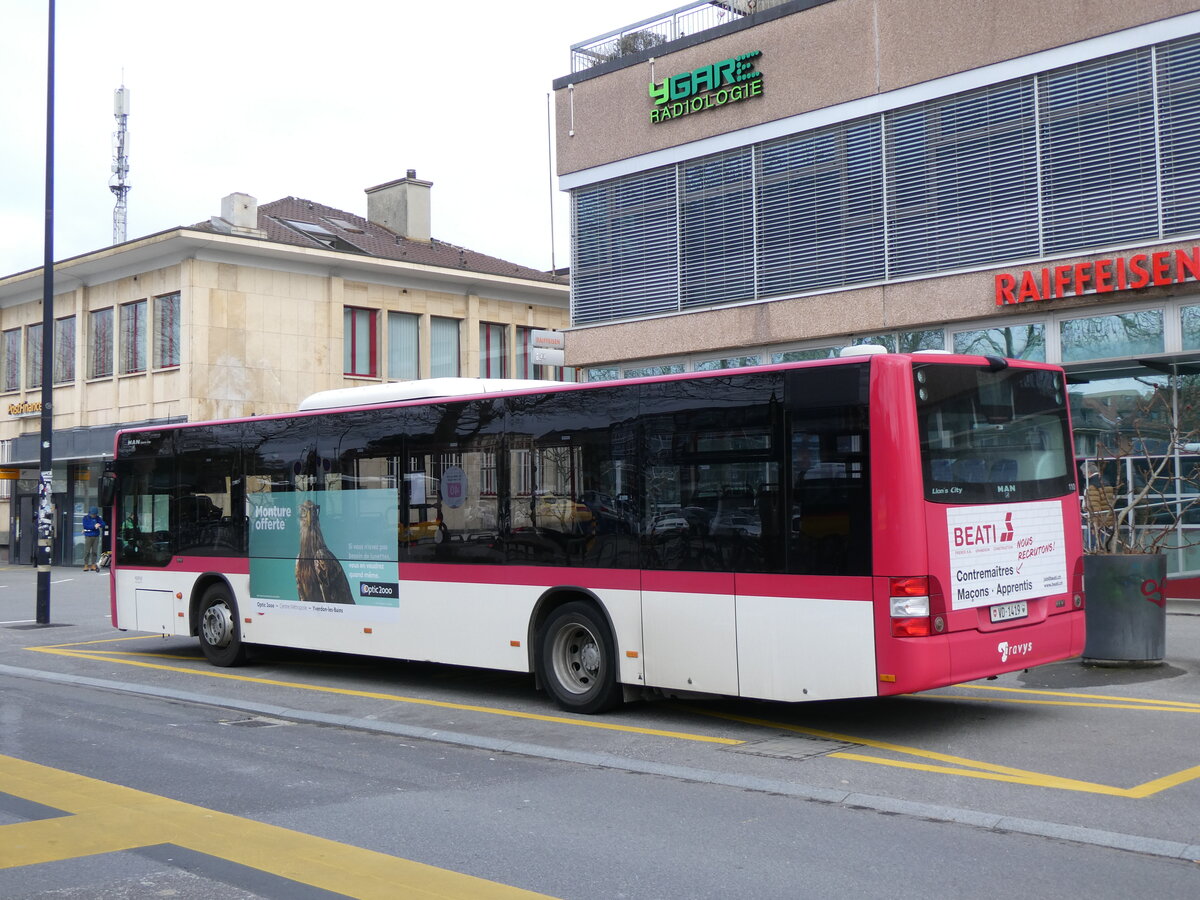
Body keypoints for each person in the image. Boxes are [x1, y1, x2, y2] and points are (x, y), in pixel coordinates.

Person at [82, 507, 106, 571]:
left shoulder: (98, 518)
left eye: (95, 514)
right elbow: (85, 526)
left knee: (94, 551)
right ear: (90, 513)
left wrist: (99, 524)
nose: (93, 515)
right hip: (88, 536)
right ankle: (86, 565)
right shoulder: (85, 518)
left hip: (96, 536)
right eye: (93, 514)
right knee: (87, 551)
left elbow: (103, 524)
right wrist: (94, 526)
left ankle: (93, 565)